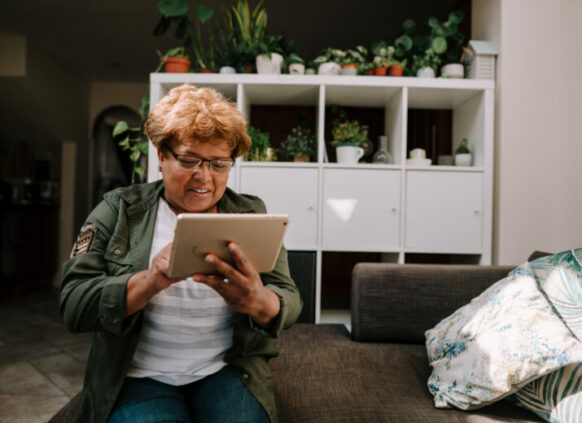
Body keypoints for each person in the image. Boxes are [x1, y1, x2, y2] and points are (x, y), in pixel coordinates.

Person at [59, 84, 302, 423]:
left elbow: (288, 297)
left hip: (225, 369)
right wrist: (151, 281)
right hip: (139, 375)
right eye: (189, 160)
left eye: (219, 164)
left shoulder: (250, 214)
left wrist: (258, 301)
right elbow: (72, 304)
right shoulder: (118, 210)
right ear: (161, 155)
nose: (204, 177)